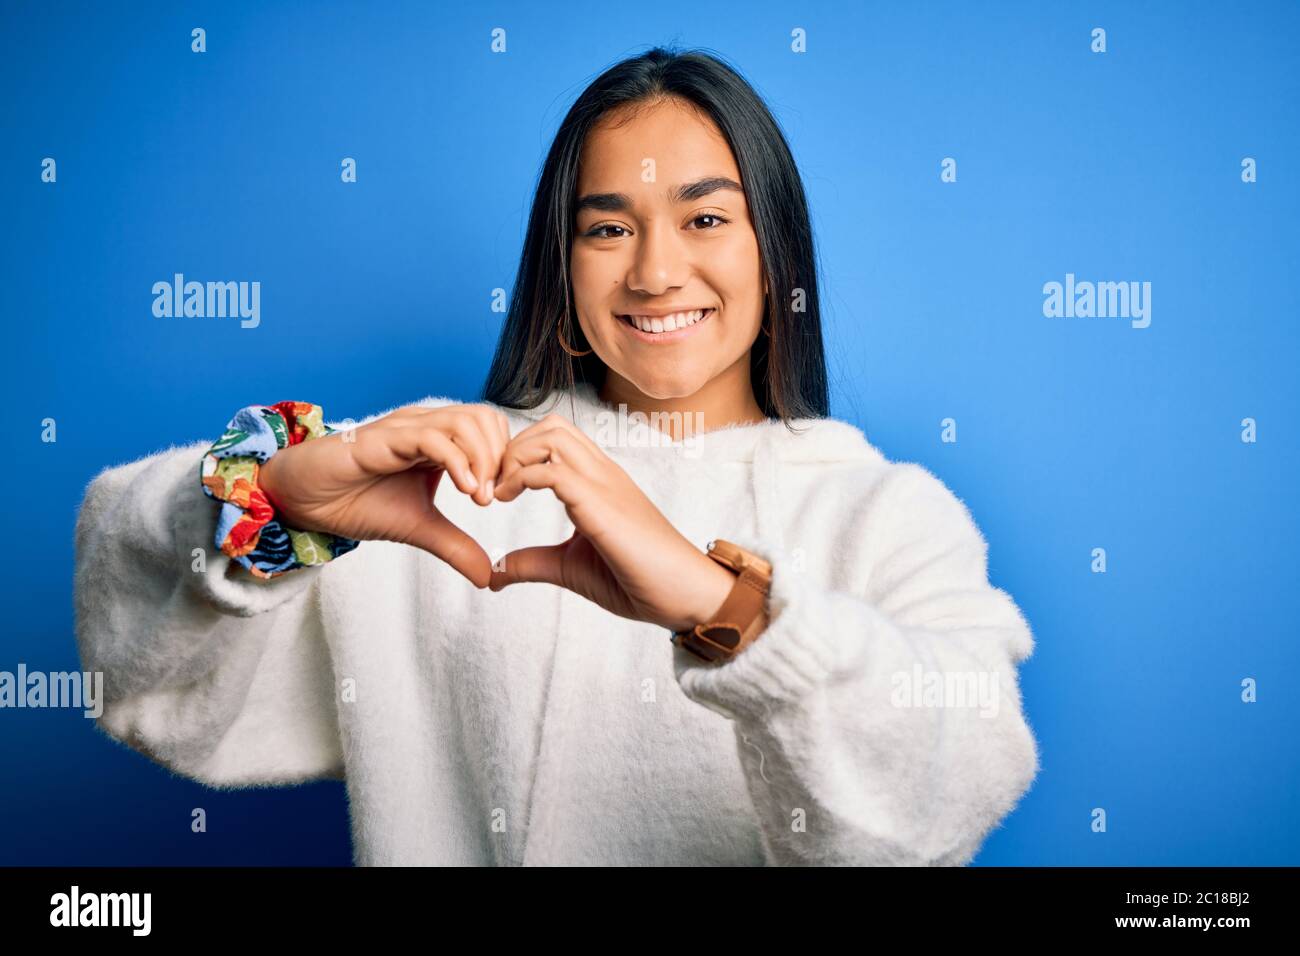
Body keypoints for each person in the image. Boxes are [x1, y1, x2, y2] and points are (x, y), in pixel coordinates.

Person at [73, 47, 1040, 866]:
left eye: (706, 218)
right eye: (608, 228)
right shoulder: (440, 474)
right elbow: (149, 686)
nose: (657, 272)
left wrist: (724, 606)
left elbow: (948, 801)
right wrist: (275, 498)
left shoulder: (887, 513)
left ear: (774, 251)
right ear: (560, 263)